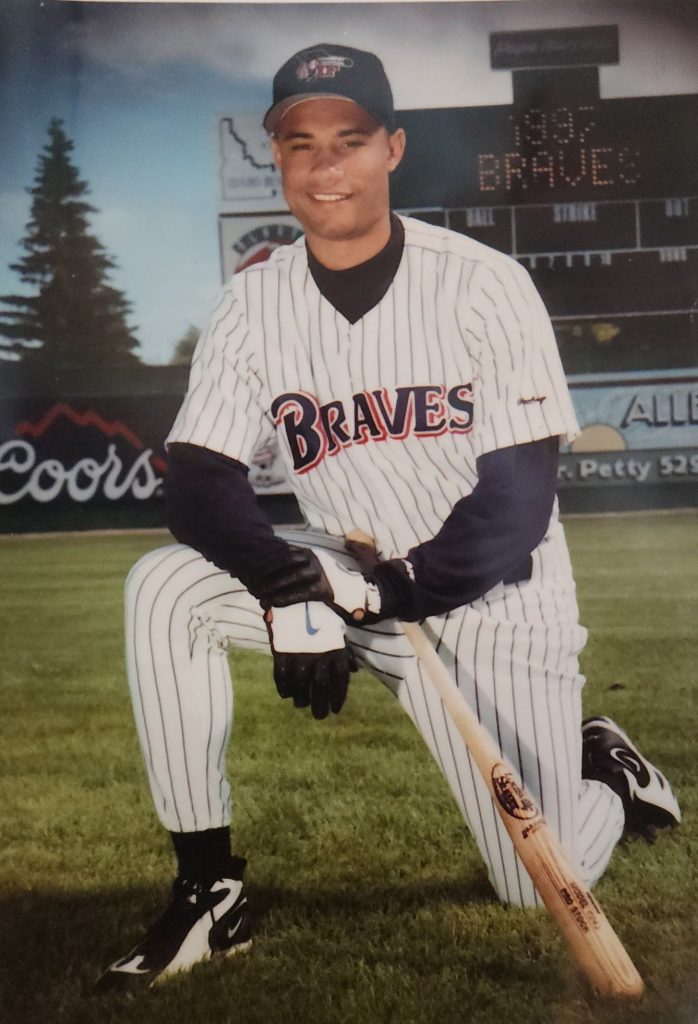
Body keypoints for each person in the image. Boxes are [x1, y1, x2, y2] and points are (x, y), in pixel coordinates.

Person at [97, 43, 680, 991]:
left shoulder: (484, 283)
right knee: (162, 588)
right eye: (301, 143)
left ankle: (607, 773)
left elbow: (518, 502)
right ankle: (209, 890)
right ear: (277, 157)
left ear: (393, 149)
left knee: (532, 884)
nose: (326, 165)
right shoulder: (250, 306)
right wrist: (294, 592)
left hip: (491, 600)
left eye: (350, 139)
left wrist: (388, 593)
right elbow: (198, 482)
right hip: (347, 577)